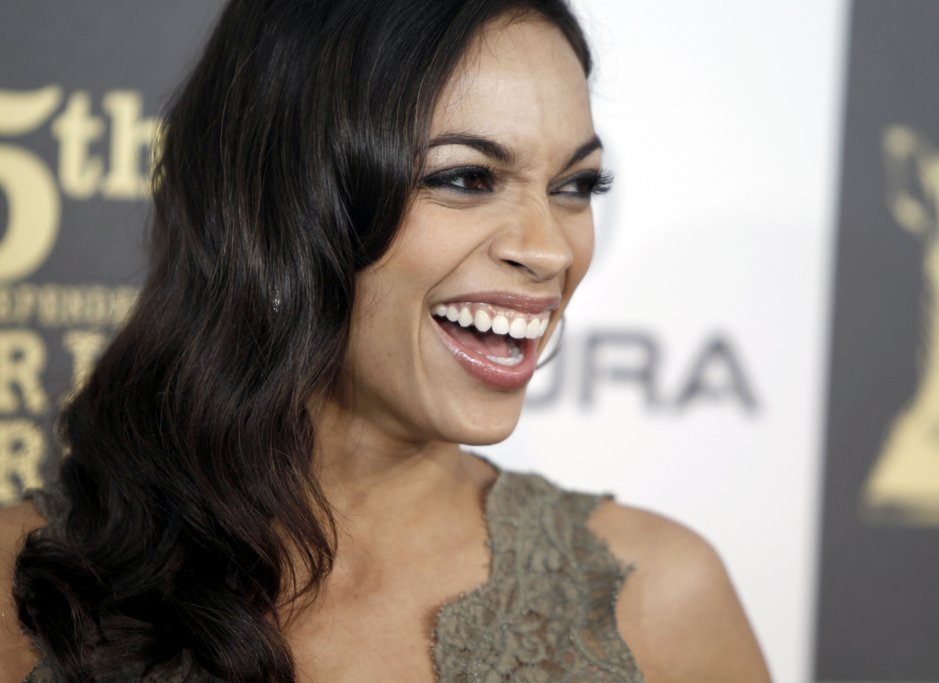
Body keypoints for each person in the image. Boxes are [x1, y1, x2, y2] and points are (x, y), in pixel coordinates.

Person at [0, 0, 771, 680]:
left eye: (575, 186)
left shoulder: (656, 597)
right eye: (467, 178)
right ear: (281, 206)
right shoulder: (23, 583)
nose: (549, 249)